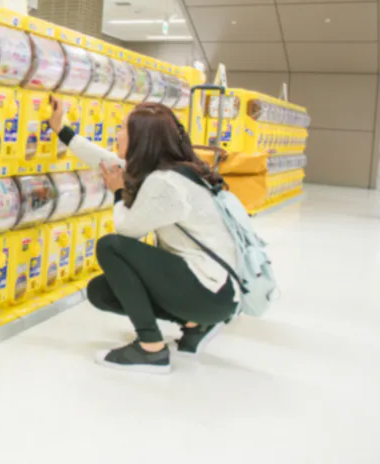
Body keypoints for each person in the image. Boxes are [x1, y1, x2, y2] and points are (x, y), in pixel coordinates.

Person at [49, 97, 239, 374]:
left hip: (209, 292)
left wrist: (117, 192)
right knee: (101, 292)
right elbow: (107, 162)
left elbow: (127, 232)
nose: (117, 133)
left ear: (141, 138)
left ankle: (151, 349)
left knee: (111, 247)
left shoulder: (164, 183)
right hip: (216, 291)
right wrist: (61, 130)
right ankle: (194, 326)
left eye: (123, 128)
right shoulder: (173, 170)